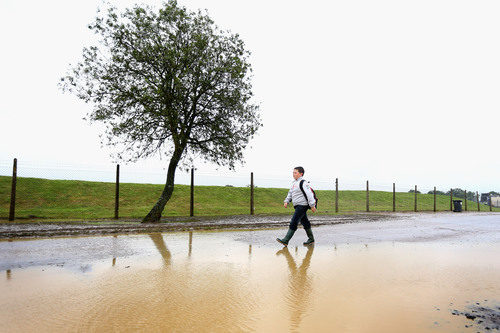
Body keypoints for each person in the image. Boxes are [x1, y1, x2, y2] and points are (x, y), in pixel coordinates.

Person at [277, 166, 316, 246]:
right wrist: (286, 201)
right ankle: (311, 239)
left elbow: (309, 194)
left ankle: (286, 240)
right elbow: (290, 193)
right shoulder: (294, 183)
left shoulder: (304, 183)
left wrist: (312, 205)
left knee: (294, 221)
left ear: (301, 174)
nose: (293, 174)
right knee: (305, 222)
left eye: (295, 172)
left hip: (302, 205)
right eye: (293, 172)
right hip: (298, 206)